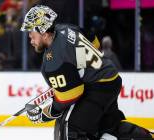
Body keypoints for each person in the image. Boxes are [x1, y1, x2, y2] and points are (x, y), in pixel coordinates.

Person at [21, 5, 153, 140]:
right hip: (110, 78)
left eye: (31, 32)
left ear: (43, 32)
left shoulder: (53, 61)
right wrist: (79, 67)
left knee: (69, 128)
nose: (30, 37)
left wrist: (45, 114)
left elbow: (72, 94)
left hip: (98, 86)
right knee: (108, 126)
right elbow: (94, 42)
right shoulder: (66, 28)